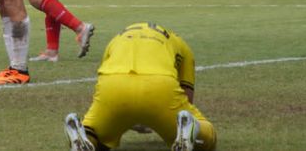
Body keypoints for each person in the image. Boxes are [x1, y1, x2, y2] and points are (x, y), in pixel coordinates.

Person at [63, 22, 217, 151]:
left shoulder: (116, 39)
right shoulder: (181, 44)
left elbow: (102, 80)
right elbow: (187, 99)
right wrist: (153, 117)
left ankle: (84, 135)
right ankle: (192, 131)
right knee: (209, 137)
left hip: (113, 85)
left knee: (97, 137)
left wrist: (129, 117)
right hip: (159, 85)